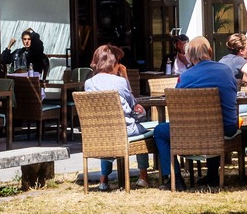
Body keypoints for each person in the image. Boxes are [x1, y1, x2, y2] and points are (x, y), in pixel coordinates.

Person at [152, 36, 237, 189]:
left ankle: (175, 178)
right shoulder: (226, 70)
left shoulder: (185, 76)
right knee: (213, 123)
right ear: (210, 51)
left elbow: (178, 104)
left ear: (189, 56)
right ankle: (212, 175)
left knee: (160, 131)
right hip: (226, 128)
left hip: (193, 129)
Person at [83, 45, 152, 190]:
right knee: (146, 129)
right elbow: (133, 105)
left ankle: (103, 180)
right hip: (124, 130)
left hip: (101, 132)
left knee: (107, 127)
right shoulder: (120, 82)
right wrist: (125, 76)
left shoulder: (88, 84)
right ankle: (143, 176)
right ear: (113, 63)